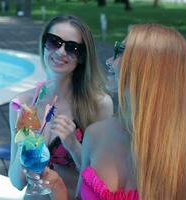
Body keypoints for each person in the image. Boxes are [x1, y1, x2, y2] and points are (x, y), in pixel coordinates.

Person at [48, 24, 186, 200]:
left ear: (148, 69)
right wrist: (58, 188)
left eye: (120, 51)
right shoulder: (95, 134)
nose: (109, 60)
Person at [8, 15, 113, 199]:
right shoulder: (22, 104)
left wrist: (73, 146)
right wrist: (25, 142)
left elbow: (104, 180)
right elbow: (17, 183)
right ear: (43, 44)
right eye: (54, 42)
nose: (61, 52)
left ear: (82, 57)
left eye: (72, 48)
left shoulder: (98, 105)